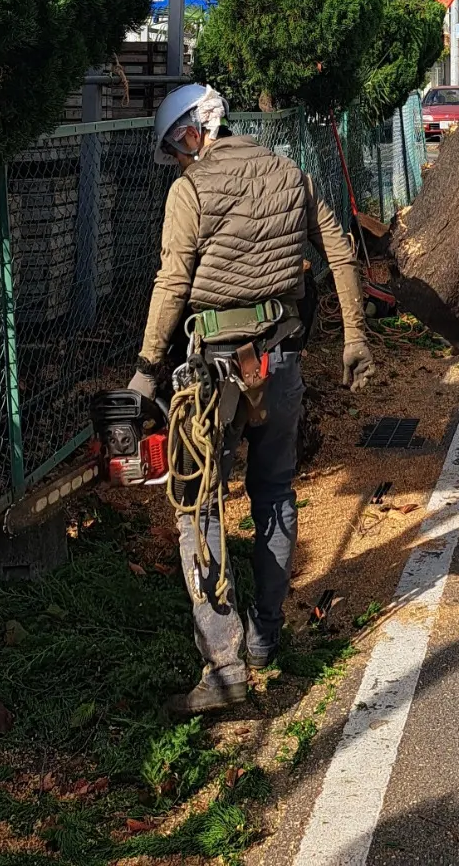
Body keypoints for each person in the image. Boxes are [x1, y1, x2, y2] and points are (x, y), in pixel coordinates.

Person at [127, 84, 376, 714]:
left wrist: (145, 371)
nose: (179, 163)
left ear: (191, 135)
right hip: (282, 361)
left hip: (213, 375)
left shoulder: (191, 192)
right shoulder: (291, 173)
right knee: (274, 492)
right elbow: (341, 254)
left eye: (176, 150)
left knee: (197, 505)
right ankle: (267, 632)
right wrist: (355, 339)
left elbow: (172, 282)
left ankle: (224, 667)